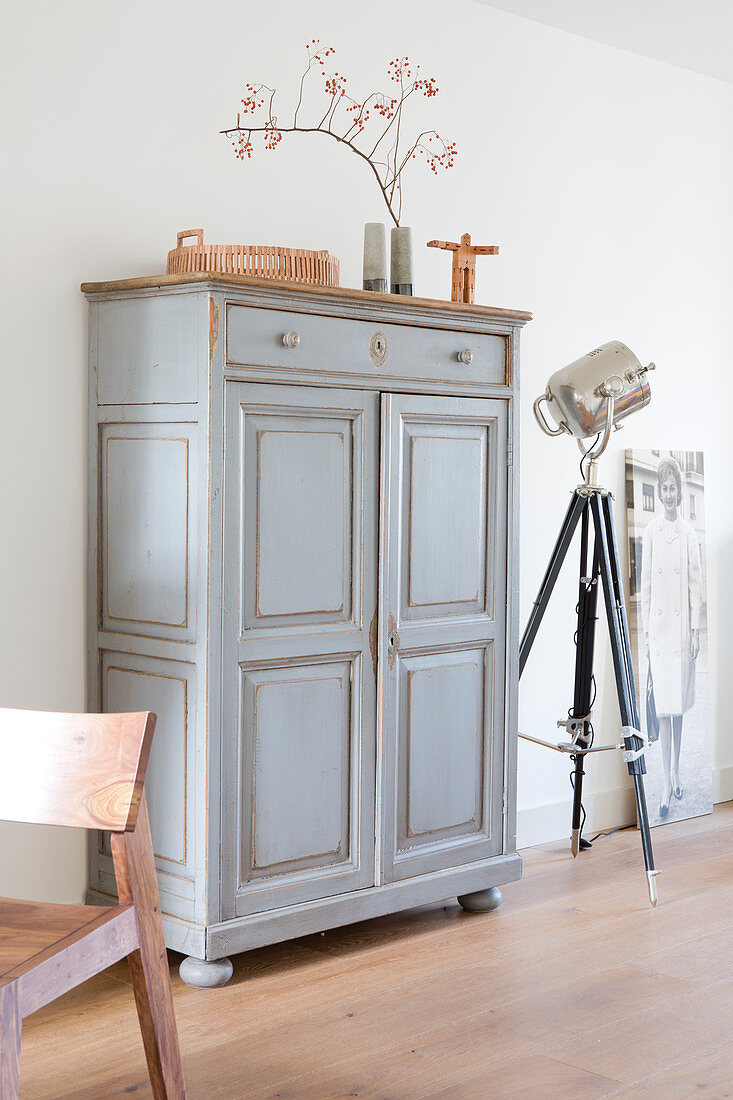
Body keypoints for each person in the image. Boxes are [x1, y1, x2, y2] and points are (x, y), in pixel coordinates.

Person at [641, 456, 703, 817]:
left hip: (681, 633)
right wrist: (648, 636)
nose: (667, 493)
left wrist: (694, 630)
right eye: (663, 487)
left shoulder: (690, 534)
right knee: (663, 709)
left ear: (680, 493)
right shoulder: (649, 532)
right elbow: (646, 586)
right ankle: (665, 780)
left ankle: (677, 769)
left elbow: (696, 585)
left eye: (672, 488)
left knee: (678, 708)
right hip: (660, 636)